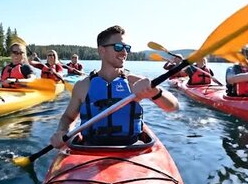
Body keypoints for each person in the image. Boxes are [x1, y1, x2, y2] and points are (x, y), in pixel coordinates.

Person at [50, 25, 179, 148]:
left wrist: (155, 93)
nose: (124, 52)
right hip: (90, 150)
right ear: (102, 50)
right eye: (118, 47)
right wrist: (62, 131)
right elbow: (68, 117)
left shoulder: (134, 82)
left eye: (126, 47)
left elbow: (173, 106)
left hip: (130, 149)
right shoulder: (83, 86)